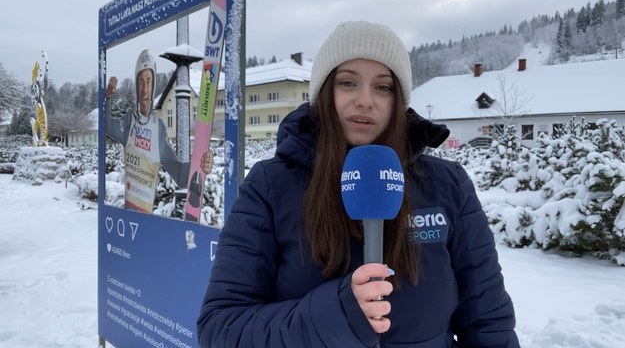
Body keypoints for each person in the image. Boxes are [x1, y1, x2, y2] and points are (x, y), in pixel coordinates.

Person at [197, 21, 519, 347]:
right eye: (348, 82)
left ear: (399, 100)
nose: (365, 100)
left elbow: (489, 324)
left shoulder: (448, 185)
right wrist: (335, 316)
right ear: (325, 92)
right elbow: (221, 329)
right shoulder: (270, 186)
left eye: (383, 87)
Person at [104, 49, 212, 214]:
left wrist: (200, 163)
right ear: (136, 85)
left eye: (148, 81)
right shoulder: (129, 120)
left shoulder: (158, 128)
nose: (145, 89)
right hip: (128, 212)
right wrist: (108, 99)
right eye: (141, 82)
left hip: (147, 215)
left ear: (154, 85)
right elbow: (108, 126)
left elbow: (180, 176)